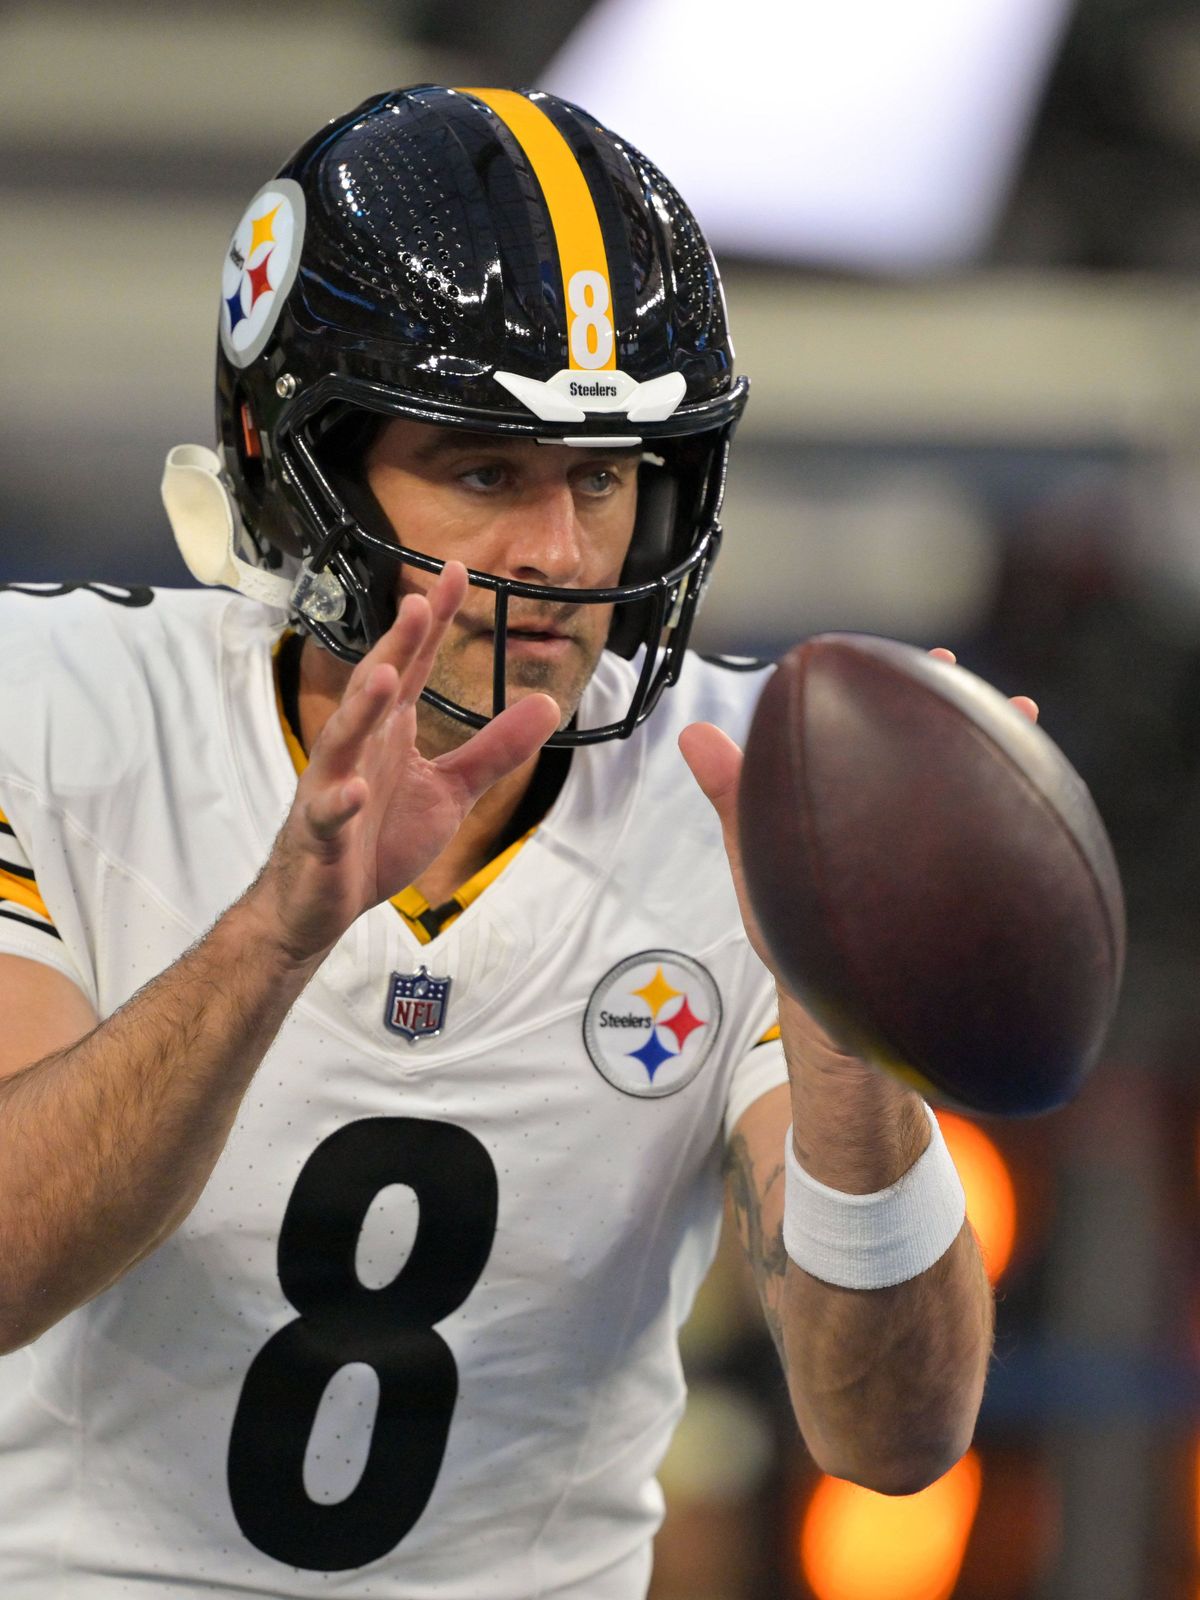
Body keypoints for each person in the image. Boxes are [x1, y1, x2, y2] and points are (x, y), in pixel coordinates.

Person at [0, 86, 993, 1598]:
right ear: (293, 464)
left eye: (604, 477)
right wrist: (277, 935)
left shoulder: (759, 785)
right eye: (485, 473)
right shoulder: (50, 712)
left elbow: (897, 1434)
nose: (559, 553)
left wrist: (856, 1046)